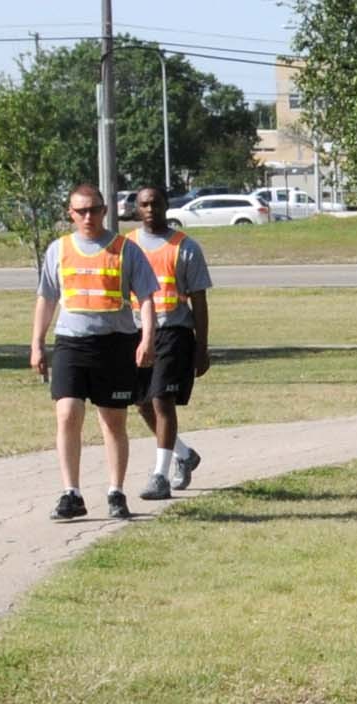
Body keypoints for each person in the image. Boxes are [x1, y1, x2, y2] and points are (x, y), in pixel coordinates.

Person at [29, 183, 156, 522]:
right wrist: (37, 342)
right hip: (71, 342)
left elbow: (145, 297)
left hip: (115, 344)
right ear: (70, 214)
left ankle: (116, 492)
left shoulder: (124, 249)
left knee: (113, 421)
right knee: (67, 413)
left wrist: (147, 339)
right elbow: (47, 297)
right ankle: (71, 493)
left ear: (104, 210)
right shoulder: (59, 249)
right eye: (80, 211)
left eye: (94, 209)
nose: (88, 216)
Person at [125, 185, 210, 500]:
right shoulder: (126, 245)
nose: (150, 209)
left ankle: (159, 475)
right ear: (136, 208)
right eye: (144, 204)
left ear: (166, 206)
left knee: (162, 400)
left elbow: (199, 301)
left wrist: (201, 347)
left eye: (156, 204)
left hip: (172, 332)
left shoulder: (185, 247)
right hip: (134, 332)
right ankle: (184, 454)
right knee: (142, 402)